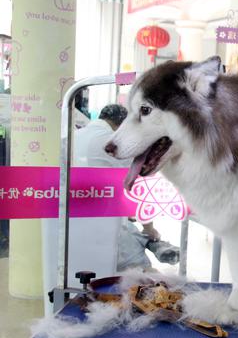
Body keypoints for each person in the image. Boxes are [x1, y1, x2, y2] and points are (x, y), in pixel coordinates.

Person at [74, 104, 177, 271]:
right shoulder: (111, 143)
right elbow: (139, 188)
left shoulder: (75, 136)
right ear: (121, 125)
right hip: (105, 227)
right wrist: (149, 228)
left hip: (73, 227)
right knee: (142, 272)